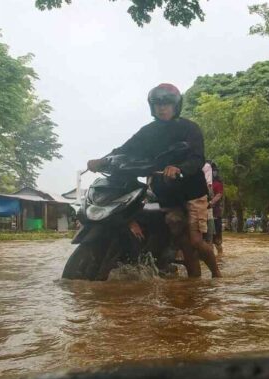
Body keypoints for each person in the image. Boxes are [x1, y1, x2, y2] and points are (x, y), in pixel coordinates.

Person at [87, 83, 220, 278]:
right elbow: (125, 149)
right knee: (182, 239)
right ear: (152, 107)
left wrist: (179, 168)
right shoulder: (147, 132)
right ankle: (194, 283)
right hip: (166, 194)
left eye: (167, 104)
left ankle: (217, 275)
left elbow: (197, 158)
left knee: (194, 241)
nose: (162, 108)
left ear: (176, 106)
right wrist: (102, 160)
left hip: (192, 192)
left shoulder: (190, 128)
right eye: (157, 104)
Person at [210, 163, 224, 255]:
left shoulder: (218, 184)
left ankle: (220, 256)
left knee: (217, 240)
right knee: (208, 239)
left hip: (215, 214)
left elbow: (219, 195)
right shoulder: (205, 183)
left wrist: (211, 202)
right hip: (205, 213)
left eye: (214, 170)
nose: (213, 172)